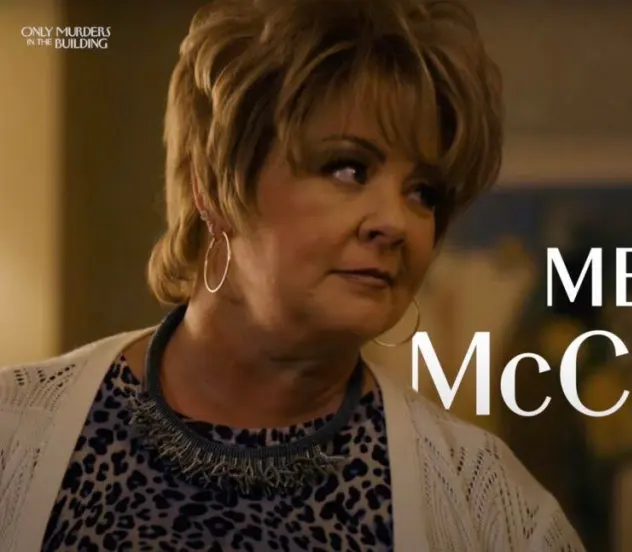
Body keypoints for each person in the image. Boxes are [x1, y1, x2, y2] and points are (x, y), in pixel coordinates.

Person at [0, 0, 584, 550]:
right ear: (215, 185)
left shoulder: (496, 513)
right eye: (349, 168)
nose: (395, 223)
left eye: (423, 193)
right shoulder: (15, 433)